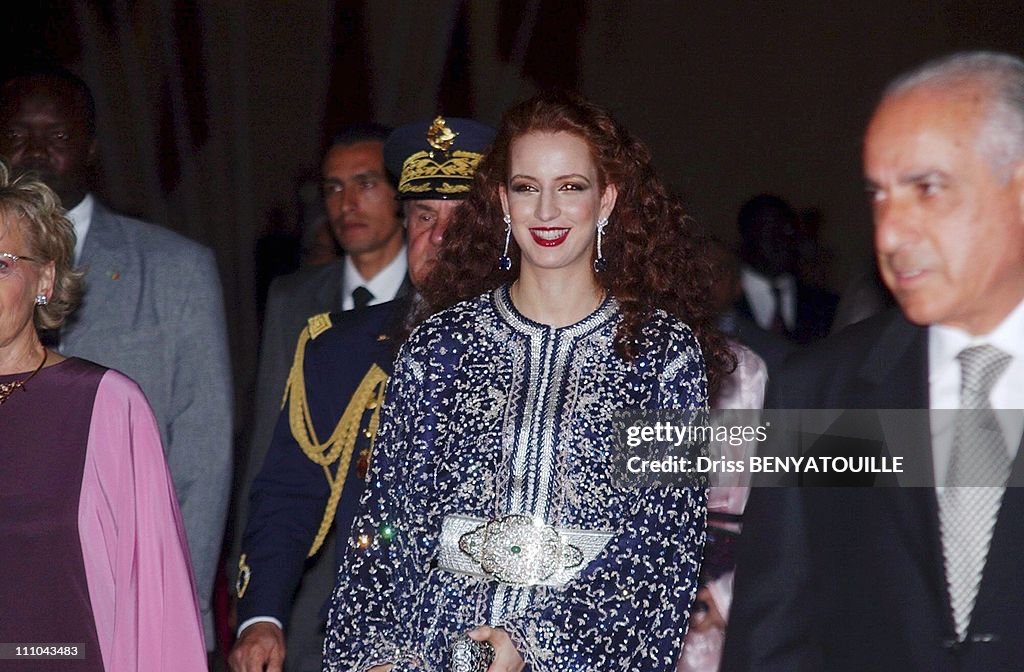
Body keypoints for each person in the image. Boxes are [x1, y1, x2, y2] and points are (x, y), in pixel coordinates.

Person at [322, 91, 733, 671]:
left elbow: (660, 544)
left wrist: (534, 644)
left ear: (606, 198)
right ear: (501, 199)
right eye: (525, 187)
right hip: (437, 650)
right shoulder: (440, 344)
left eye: (570, 187)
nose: (546, 211)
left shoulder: (664, 356)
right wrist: (377, 656)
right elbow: (389, 521)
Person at [722, 51, 1024, 671]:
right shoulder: (821, 391)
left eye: (927, 188)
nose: (889, 233)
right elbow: (774, 640)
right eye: (879, 196)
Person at [230, 116, 495, 672]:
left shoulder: (569, 348)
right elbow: (287, 490)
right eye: (424, 216)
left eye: (461, 220)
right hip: (367, 642)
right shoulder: (341, 348)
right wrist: (263, 617)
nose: (439, 237)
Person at [0, 65, 233, 649]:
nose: (35, 152)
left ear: (90, 148)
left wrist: (176, 616)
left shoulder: (176, 268)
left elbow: (202, 456)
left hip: (115, 603)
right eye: (18, 135)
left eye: (56, 137)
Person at [236, 125, 409, 594]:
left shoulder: (438, 296)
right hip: (305, 562)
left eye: (366, 183)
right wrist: (251, 578)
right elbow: (270, 434)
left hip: (401, 560)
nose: (347, 202)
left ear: (401, 192)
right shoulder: (293, 296)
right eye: (333, 187)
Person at [733, 194, 837, 344]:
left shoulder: (825, 306)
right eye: (768, 231)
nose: (782, 241)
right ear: (747, 237)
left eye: (788, 230)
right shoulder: (722, 305)